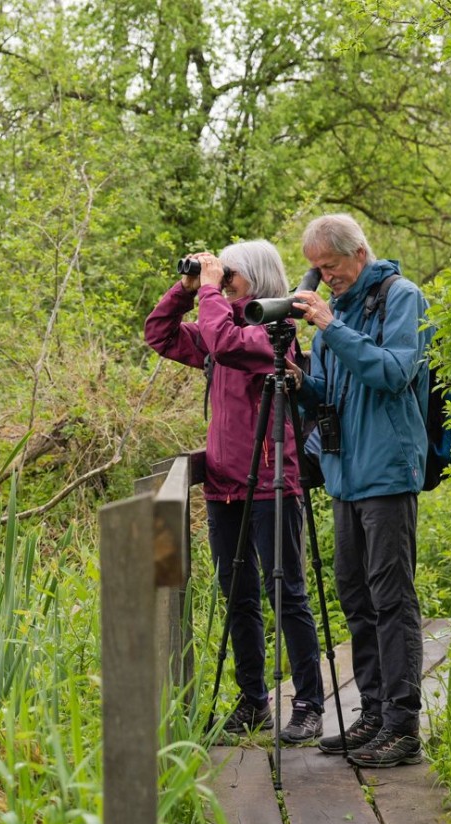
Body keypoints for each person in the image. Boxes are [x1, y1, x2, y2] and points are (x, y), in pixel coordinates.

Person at [144, 240, 325, 745]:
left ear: (258, 277)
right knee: (237, 595)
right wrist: (185, 291)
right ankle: (253, 702)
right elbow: (158, 335)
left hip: (271, 481)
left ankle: (309, 703)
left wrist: (207, 293)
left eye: (231, 276)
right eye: (221, 278)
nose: (223, 284)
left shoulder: (276, 333)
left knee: (285, 592)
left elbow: (223, 341)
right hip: (224, 485)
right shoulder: (218, 326)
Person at [292, 214, 430, 767]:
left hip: (387, 472)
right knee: (356, 593)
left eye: (332, 267)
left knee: (392, 598)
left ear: (360, 252)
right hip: (344, 474)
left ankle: (403, 725)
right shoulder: (340, 314)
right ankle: (372, 712)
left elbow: (394, 372)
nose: (326, 279)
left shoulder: (403, 297)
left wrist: (331, 327)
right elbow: (330, 392)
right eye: (318, 271)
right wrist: (300, 380)